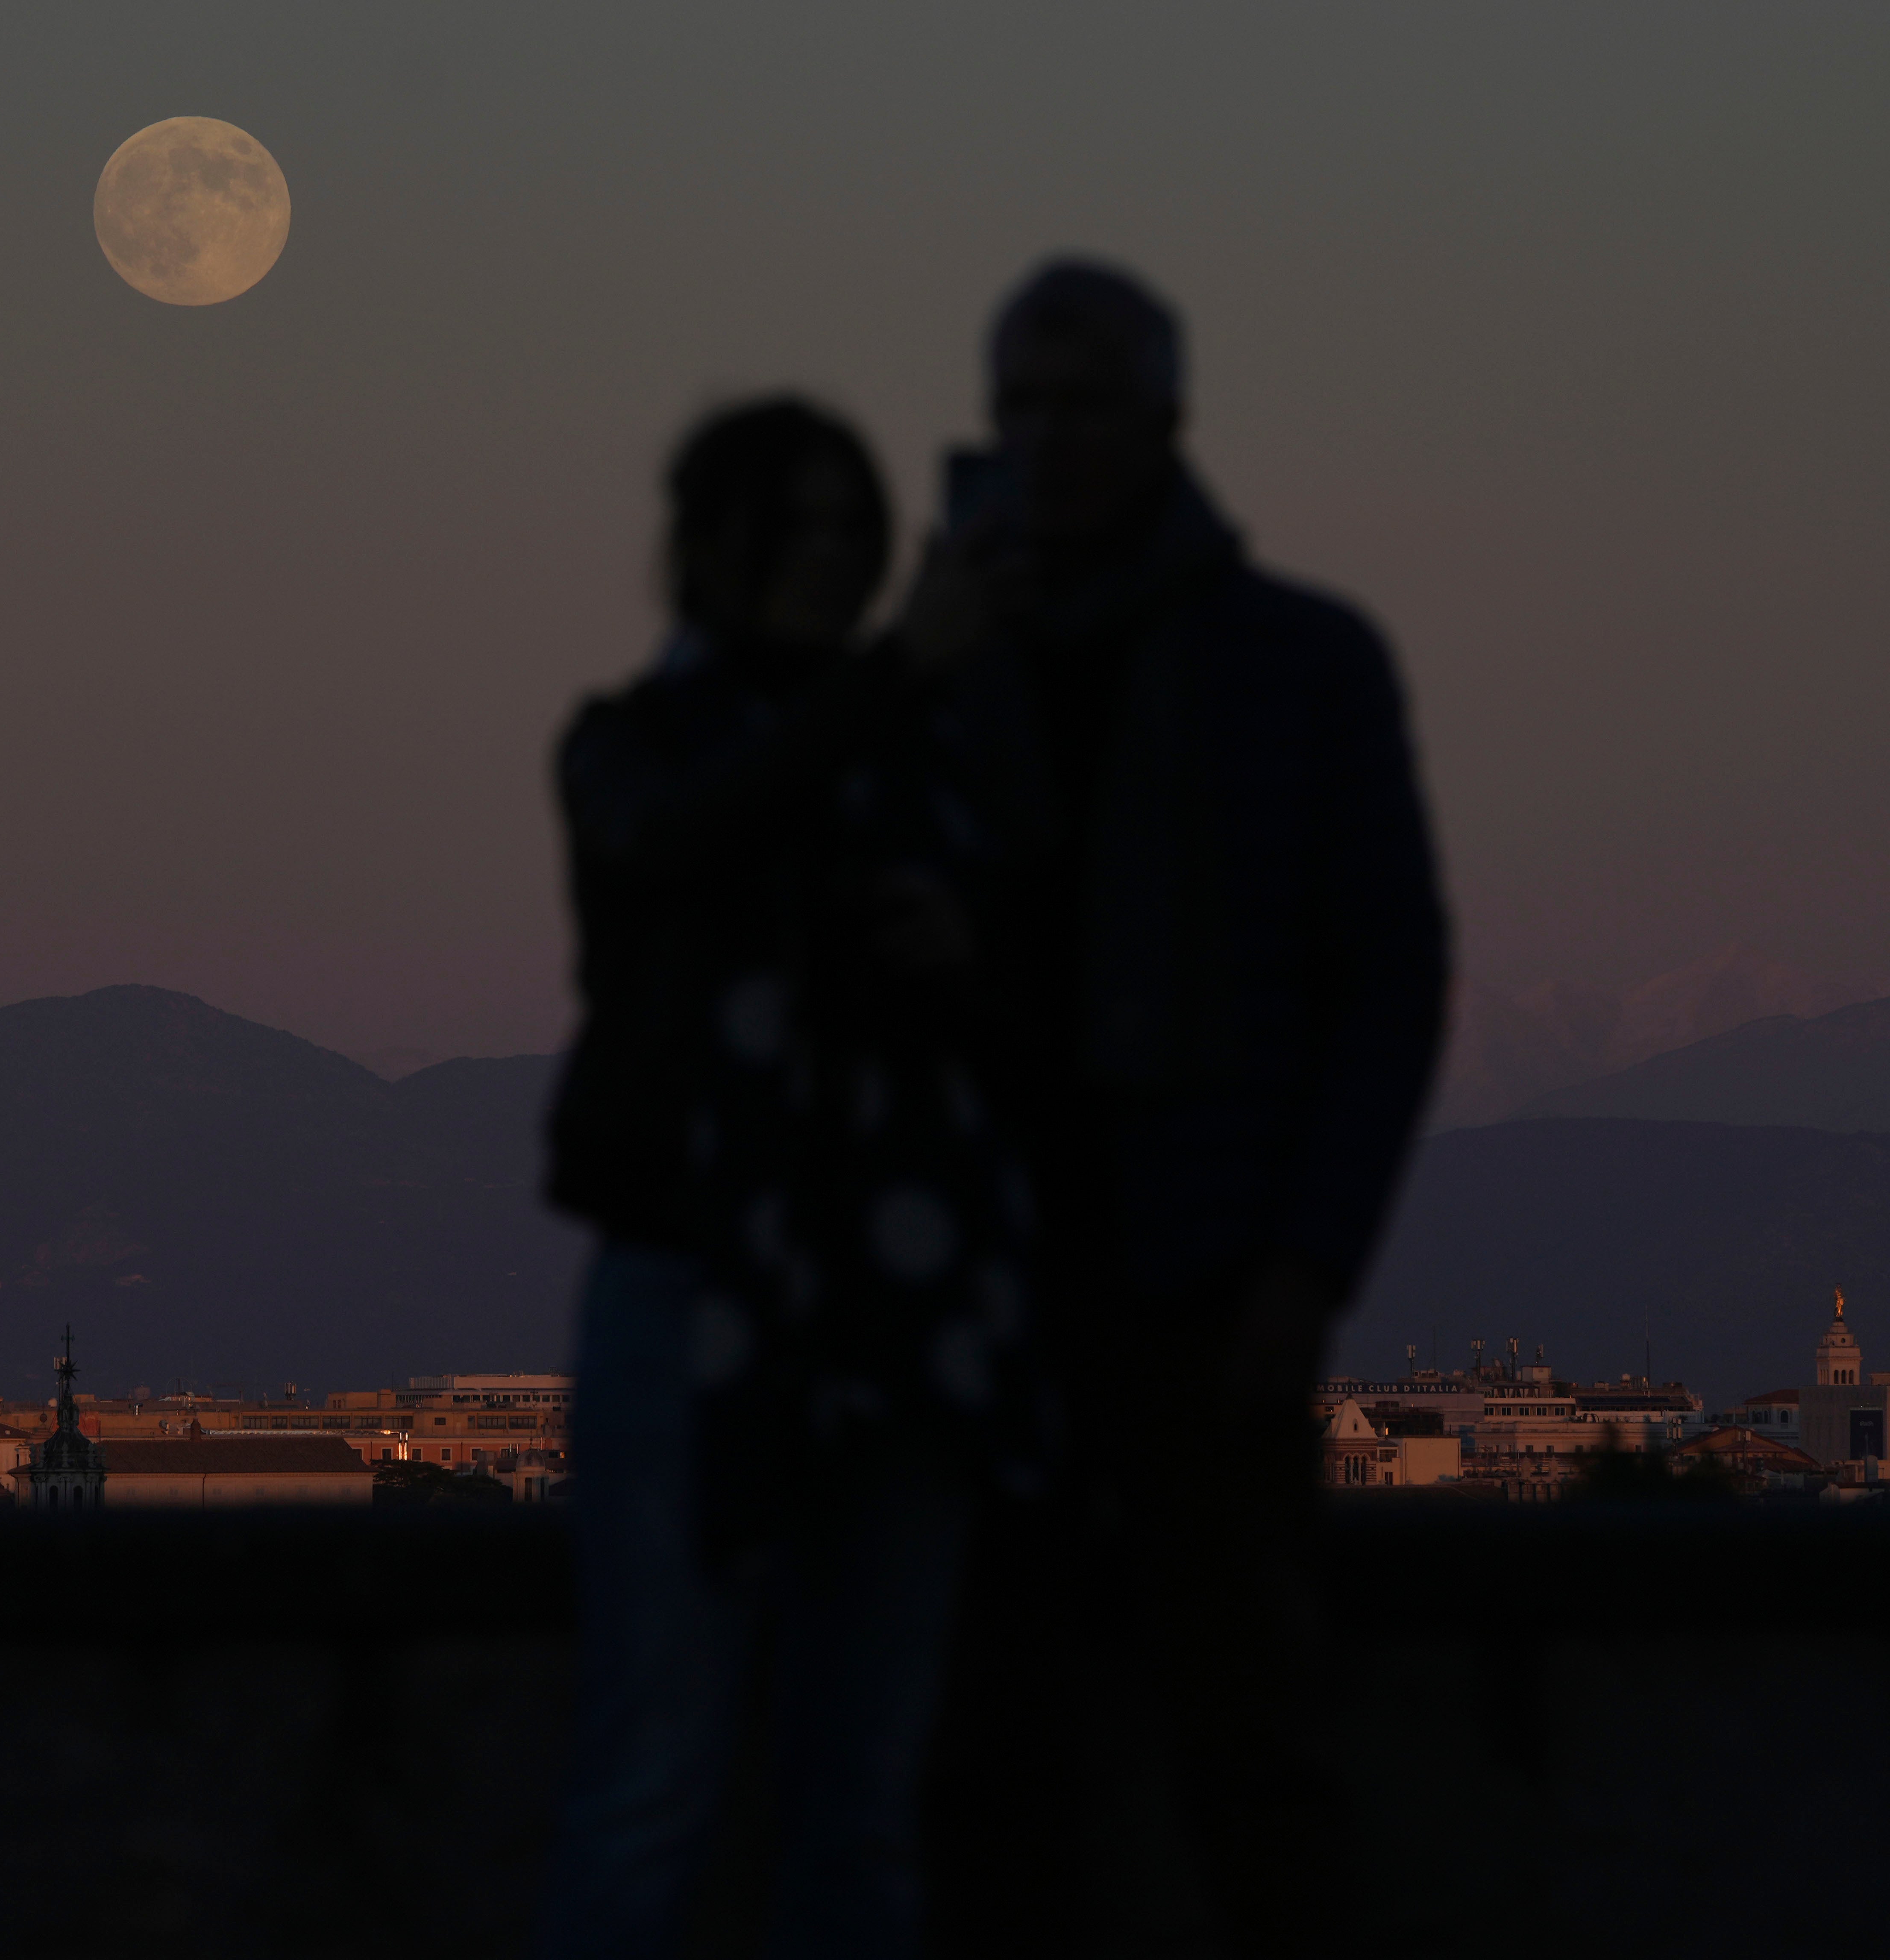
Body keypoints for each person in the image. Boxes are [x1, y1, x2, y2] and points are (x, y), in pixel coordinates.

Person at [910, 261, 1447, 1951]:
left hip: (1198, 1287)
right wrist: (907, 679)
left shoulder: (1298, 665)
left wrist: (1300, 1266)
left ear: (1164, 423)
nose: (1046, 439)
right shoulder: (948, 673)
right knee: (995, 1767)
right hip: (987, 1300)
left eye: (1081, 403)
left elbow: (1386, 979)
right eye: (1019, 405)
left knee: (1249, 1757)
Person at [539, 398, 1025, 1960]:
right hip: (705, 1291)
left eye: (847, 528)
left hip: (885, 1311)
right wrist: (896, 680)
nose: (823, 558)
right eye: (789, 525)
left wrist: (975, 957)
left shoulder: (931, 763)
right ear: (709, 546)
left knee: (858, 1812)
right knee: (655, 1792)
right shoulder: (632, 748)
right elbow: (684, 841)